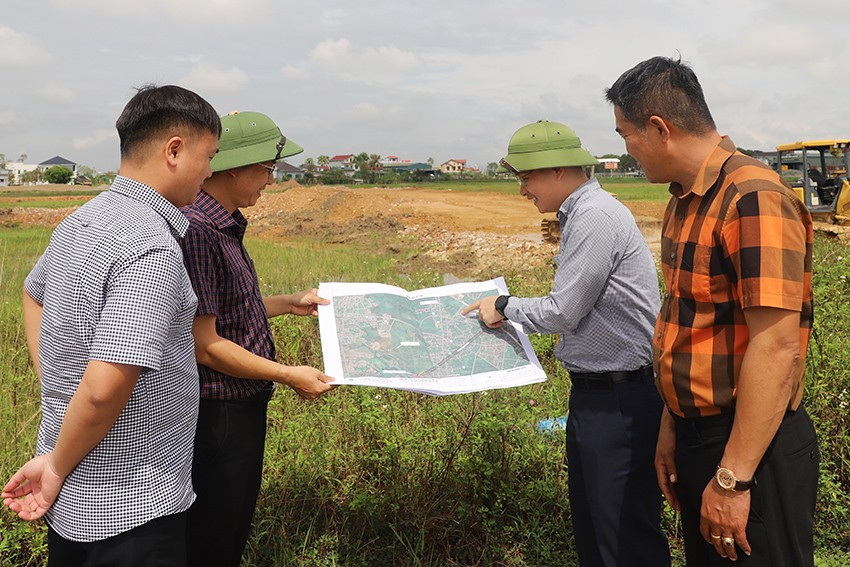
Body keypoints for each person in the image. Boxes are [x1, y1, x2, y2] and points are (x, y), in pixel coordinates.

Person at [606, 56, 817, 566]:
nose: (627, 149)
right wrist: (672, 424)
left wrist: (732, 480)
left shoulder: (751, 198)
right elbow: (690, 325)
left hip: (750, 449)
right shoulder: (685, 200)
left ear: (660, 128)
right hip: (702, 438)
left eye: (626, 135)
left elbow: (778, 345)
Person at [2, 85, 221, 565]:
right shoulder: (151, 247)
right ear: (174, 150)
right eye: (209, 157)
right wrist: (55, 467)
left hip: (72, 497)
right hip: (131, 501)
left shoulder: (82, 219)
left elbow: (32, 294)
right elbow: (103, 391)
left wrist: (57, 385)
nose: (209, 172)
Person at [462, 120, 670, 566]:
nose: (523, 191)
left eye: (526, 178)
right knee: (597, 529)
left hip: (620, 402)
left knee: (624, 536)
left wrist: (504, 306)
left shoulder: (594, 217)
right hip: (600, 397)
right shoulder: (582, 214)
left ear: (558, 170)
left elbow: (563, 311)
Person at [179, 110, 335, 567]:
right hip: (218, 411)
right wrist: (288, 374)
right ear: (233, 168)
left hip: (238, 404)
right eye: (267, 169)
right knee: (215, 534)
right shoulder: (200, 231)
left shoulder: (224, 224)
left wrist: (288, 302)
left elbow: (225, 310)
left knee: (230, 524)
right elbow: (204, 344)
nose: (270, 180)